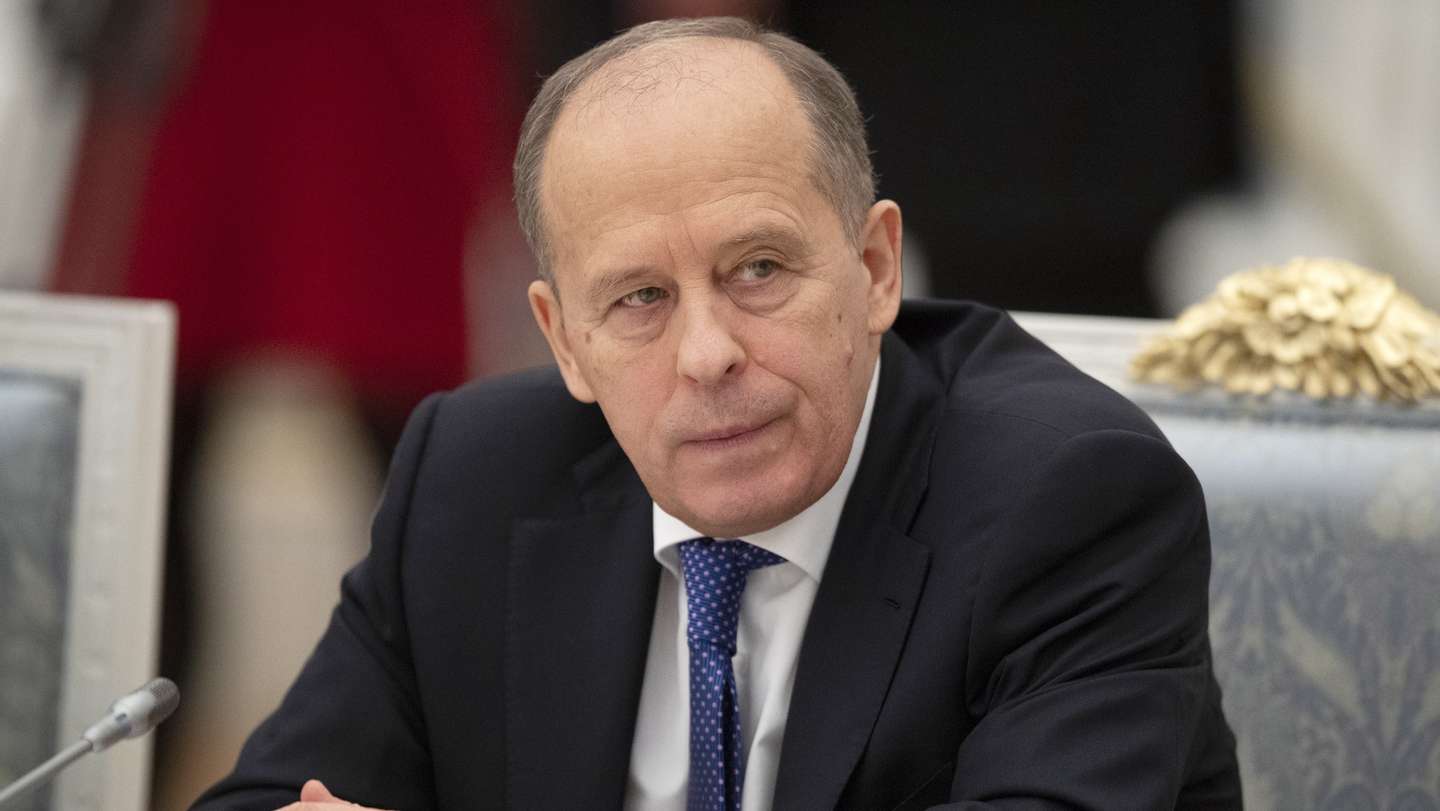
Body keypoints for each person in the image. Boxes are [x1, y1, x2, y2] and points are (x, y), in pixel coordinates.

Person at [193, 17, 1241, 811]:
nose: (707, 355)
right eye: (640, 299)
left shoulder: (1069, 503)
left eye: (758, 268)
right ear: (565, 340)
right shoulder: (471, 479)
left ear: (875, 268)